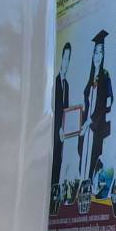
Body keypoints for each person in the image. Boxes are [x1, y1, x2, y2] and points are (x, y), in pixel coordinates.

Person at [79, 29, 113, 184]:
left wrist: (90, 121)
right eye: (95, 52)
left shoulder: (105, 76)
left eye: (101, 52)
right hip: (86, 128)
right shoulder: (90, 77)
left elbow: (106, 102)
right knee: (82, 158)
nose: (97, 56)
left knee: (92, 157)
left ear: (104, 55)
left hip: (95, 127)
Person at [51, 41, 71, 193]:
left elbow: (66, 111)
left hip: (62, 135)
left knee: (59, 162)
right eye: (64, 58)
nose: (66, 62)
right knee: (52, 163)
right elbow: (55, 110)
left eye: (68, 59)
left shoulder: (67, 85)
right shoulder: (54, 83)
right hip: (53, 135)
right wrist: (58, 128)